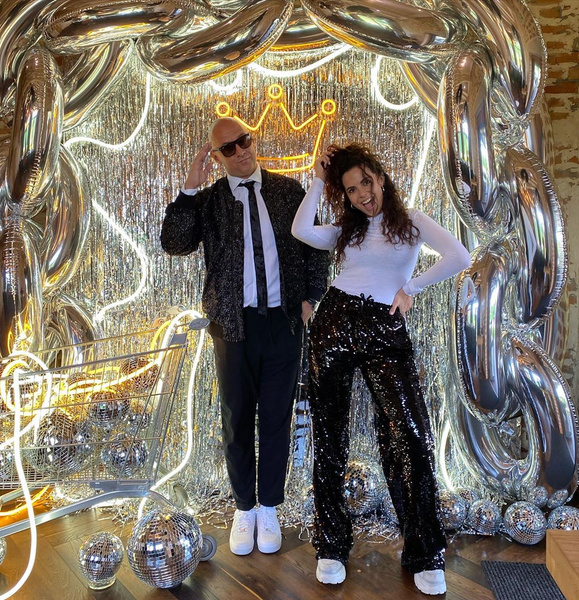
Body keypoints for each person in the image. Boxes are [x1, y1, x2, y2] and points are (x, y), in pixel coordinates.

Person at [291, 143, 471, 595]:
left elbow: (459, 256)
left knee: (411, 435)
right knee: (329, 436)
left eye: (366, 183)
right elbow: (300, 229)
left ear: (381, 178)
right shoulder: (347, 231)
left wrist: (412, 287)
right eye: (351, 190)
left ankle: (424, 552)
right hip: (335, 322)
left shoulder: (412, 221)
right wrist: (318, 180)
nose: (362, 195)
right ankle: (331, 547)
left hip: (384, 326)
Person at [160, 117, 329, 557]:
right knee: (236, 419)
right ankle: (243, 507)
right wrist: (189, 187)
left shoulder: (288, 191)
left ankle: (268, 506)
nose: (241, 152)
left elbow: (316, 247)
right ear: (216, 157)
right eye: (229, 148)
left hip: (284, 322)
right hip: (231, 326)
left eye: (244, 141)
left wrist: (311, 297)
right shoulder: (209, 201)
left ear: (253, 140)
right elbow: (174, 243)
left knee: (276, 416)